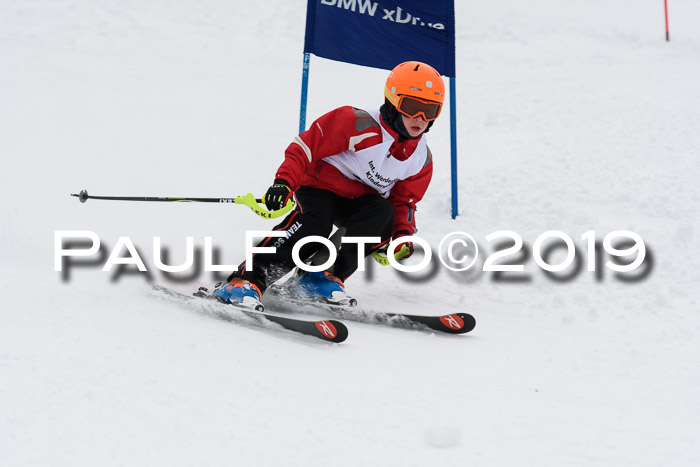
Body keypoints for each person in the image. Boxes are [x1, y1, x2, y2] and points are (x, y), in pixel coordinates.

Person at [212, 61, 445, 309]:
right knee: (315, 225)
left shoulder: (421, 158)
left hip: (359, 201)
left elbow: (404, 201)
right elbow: (306, 148)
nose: (420, 118)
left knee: (382, 213)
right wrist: (284, 183)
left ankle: (318, 277)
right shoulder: (357, 123)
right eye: (412, 107)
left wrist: (401, 236)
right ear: (392, 100)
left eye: (430, 110)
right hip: (319, 186)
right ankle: (246, 281)